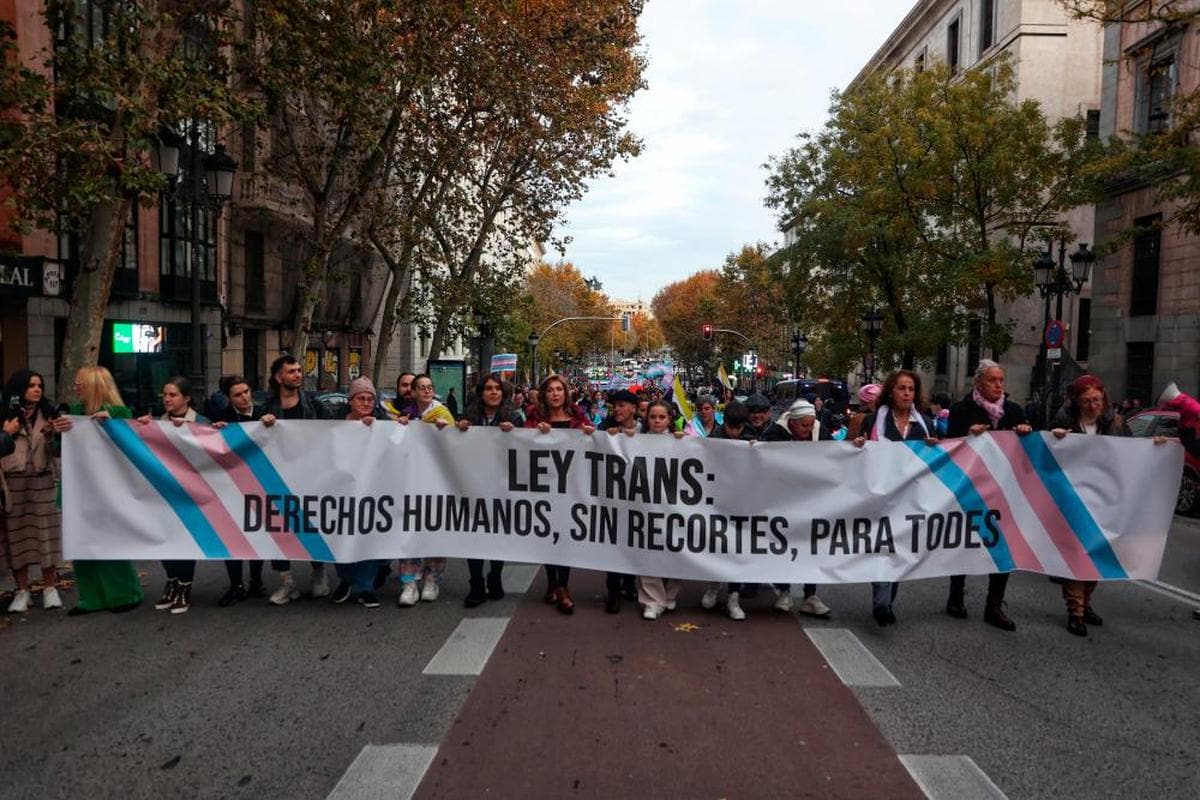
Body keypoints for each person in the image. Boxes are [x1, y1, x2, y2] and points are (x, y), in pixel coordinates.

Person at [944, 360, 1033, 631]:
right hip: (970, 487)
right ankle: (956, 596)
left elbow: (1029, 450)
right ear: (978, 383)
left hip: (1004, 491)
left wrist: (1026, 431)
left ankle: (994, 605)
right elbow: (951, 447)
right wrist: (968, 436)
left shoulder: (1014, 411)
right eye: (993, 380)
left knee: (1004, 545)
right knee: (963, 541)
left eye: (1001, 380)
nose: (998, 385)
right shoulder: (961, 410)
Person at [852, 369, 937, 627]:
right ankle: (881, 602)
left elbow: (934, 460)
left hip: (909, 498)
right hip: (880, 496)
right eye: (902, 388)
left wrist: (935, 448)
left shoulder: (925, 424)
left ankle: (887, 600)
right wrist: (857, 446)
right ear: (891, 391)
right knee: (881, 547)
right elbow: (855, 455)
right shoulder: (872, 421)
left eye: (911, 389)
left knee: (900, 550)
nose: (907, 393)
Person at [1049, 376, 1132, 637]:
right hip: (1074, 499)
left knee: (1097, 553)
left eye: (1097, 400)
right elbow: (1048, 456)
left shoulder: (1116, 423)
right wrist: (1057, 439)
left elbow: (1133, 451)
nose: (1094, 405)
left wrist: (1158, 446)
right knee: (1077, 554)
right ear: (1077, 402)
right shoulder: (1064, 422)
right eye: (1087, 401)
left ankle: (1086, 602)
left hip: (1104, 499)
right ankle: (1076, 611)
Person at [62, 367, 143, 615]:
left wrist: (110, 426)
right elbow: (62, 448)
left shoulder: (118, 413)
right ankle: (90, 597)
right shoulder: (74, 413)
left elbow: (129, 444)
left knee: (110, 540)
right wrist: (59, 432)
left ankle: (124, 592)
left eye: (80, 384)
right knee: (81, 542)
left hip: (108, 487)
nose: (76, 388)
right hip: (79, 487)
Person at [261, 354, 334, 605]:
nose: (298, 375)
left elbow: (336, 432)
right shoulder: (268, 408)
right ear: (278, 377)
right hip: (278, 478)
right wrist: (262, 425)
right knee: (279, 529)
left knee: (312, 526)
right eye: (291, 371)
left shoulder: (314, 405)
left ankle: (319, 574)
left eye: (299, 370)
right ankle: (286, 582)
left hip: (311, 477)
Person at [136, 376, 209, 614]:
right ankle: (172, 580)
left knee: (185, 541)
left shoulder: (201, 422)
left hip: (191, 494)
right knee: (164, 539)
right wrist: (143, 428)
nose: (167, 399)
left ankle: (184, 587)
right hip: (164, 493)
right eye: (164, 395)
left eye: (172, 395)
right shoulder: (158, 423)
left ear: (186, 398)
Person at [756, 399, 834, 619]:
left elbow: (838, 454)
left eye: (811, 425)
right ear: (792, 422)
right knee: (784, 545)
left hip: (814, 500)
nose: (808, 430)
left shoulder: (822, 432)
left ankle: (811, 596)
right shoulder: (774, 434)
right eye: (804, 426)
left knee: (814, 546)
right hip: (784, 500)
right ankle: (784, 591)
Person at [2, 369, 72, 613]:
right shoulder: (5, 415)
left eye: (39, 385)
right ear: (19, 388)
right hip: (12, 482)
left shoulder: (50, 413)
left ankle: (49, 588)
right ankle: (21, 591)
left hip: (42, 480)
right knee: (15, 537)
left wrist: (54, 435)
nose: (37, 389)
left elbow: (58, 452)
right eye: (31, 385)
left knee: (46, 535)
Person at [525, 374, 595, 614]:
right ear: (544, 394)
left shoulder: (578, 418)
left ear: (566, 394)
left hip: (572, 487)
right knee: (548, 536)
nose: (555, 394)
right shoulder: (534, 418)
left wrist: (589, 435)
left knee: (566, 537)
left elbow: (594, 442)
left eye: (559, 390)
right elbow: (521, 444)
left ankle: (561, 587)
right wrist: (535, 432)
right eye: (551, 390)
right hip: (544, 487)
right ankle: (552, 582)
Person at [457, 374, 522, 608]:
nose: (493, 392)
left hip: (501, 485)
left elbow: (525, 447)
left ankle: (495, 576)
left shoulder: (514, 417)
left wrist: (514, 432)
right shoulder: (469, 417)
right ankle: (476, 582)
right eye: (488, 388)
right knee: (474, 533)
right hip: (473, 485)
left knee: (497, 533)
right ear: (481, 393)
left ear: (503, 393)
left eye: (497, 389)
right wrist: (459, 428)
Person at [329, 376, 390, 608]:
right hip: (340, 490)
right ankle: (346, 579)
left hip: (372, 491)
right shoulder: (332, 423)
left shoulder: (383, 424)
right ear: (350, 400)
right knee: (339, 536)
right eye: (361, 398)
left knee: (370, 536)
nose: (366, 403)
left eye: (370, 399)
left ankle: (366, 586)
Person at [396, 374, 454, 605]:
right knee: (408, 530)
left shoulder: (442, 414)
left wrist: (445, 431)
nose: (427, 391)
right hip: (410, 481)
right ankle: (409, 582)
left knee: (435, 528)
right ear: (413, 392)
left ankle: (432, 579)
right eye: (422, 387)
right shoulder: (403, 415)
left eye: (430, 387)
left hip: (437, 482)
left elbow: (456, 445)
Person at [210, 376, 267, 606]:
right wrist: (215, 430)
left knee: (258, 534)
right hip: (231, 486)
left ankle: (256, 581)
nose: (244, 397)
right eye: (237, 394)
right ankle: (236, 585)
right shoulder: (222, 417)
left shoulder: (264, 413)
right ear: (229, 398)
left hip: (260, 484)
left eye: (246, 391)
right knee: (231, 536)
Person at [637, 400, 686, 619]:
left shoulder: (682, 441)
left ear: (669, 419)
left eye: (662, 417)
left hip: (674, 506)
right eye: (653, 417)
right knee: (647, 551)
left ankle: (670, 595)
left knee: (677, 550)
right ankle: (652, 600)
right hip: (646, 505)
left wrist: (684, 442)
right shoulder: (635, 440)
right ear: (647, 419)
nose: (657, 421)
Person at [601, 388, 641, 612]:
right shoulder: (605, 429)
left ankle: (629, 583)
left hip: (638, 496)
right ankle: (613, 590)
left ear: (633, 408)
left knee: (633, 542)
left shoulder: (646, 431)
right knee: (615, 543)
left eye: (622, 405)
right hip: (613, 495)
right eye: (615, 405)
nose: (617, 409)